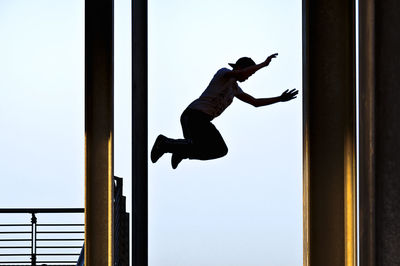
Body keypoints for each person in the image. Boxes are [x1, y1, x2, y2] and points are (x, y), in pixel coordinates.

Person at [151, 53, 298, 169]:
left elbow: (255, 102)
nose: (247, 77)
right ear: (240, 68)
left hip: (199, 121)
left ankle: (180, 150)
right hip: (194, 117)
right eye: (248, 73)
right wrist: (264, 64)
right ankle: (166, 143)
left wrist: (279, 98)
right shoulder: (224, 73)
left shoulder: (234, 89)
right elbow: (240, 74)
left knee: (219, 150)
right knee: (213, 146)